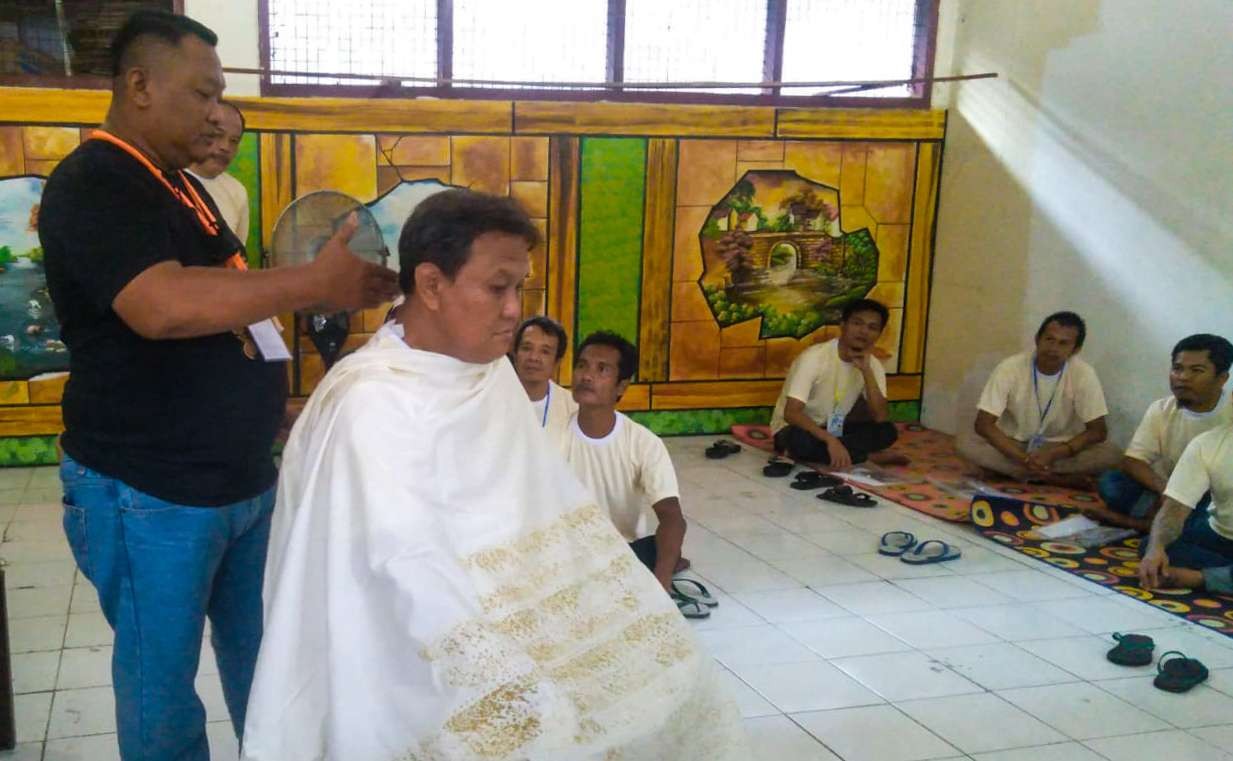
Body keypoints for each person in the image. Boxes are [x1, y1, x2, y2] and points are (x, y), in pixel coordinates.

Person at [241, 190, 744, 760]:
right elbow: (401, 572)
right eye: (498, 287)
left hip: (506, 615)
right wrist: (507, 670)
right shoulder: (372, 400)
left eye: (519, 288)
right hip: (409, 656)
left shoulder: (489, 376)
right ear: (430, 285)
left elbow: (548, 511)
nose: (513, 309)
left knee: (673, 675)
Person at [38, 11, 398, 760]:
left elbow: (232, 307)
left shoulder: (181, 186)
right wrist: (310, 282)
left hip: (241, 480)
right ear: (138, 84)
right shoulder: (96, 180)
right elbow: (161, 306)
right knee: (162, 682)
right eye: (202, 93)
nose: (215, 112)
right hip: (150, 489)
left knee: (267, 662)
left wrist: (277, 405)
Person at [559, 331, 688, 595]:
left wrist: (660, 588)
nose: (586, 376)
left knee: (662, 545)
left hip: (622, 553)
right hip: (565, 555)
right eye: (582, 365)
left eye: (602, 369)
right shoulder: (549, 436)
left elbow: (672, 517)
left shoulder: (643, 443)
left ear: (621, 386)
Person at [957, 311, 1120, 485]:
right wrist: (1023, 458)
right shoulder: (1010, 367)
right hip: (1012, 445)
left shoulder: (1084, 374)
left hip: (1058, 448)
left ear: (1076, 350)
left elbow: (1098, 431)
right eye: (1049, 339)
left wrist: (1054, 454)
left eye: (1063, 343)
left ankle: (1018, 473)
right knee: (965, 443)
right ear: (1037, 339)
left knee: (1112, 454)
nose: (1053, 348)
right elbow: (983, 424)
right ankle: (1054, 478)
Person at [1097, 334, 1232, 530]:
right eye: (1177, 369)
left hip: (1215, 501)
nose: (1183, 378)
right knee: (1111, 483)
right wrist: (1166, 490)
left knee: (1213, 514)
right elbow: (1133, 461)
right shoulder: (1162, 409)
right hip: (1171, 493)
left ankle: (1145, 524)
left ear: (1221, 379)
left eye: (1197, 370)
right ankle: (1169, 525)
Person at [770, 298, 899, 468]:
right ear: (843, 325)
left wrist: (866, 371)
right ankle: (862, 457)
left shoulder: (872, 364)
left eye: (872, 327)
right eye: (857, 323)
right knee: (799, 441)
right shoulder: (814, 358)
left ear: (879, 334)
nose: (863, 332)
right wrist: (830, 440)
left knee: (887, 432)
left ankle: (832, 452)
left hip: (833, 428)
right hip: (798, 428)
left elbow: (880, 416)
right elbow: (791, 413)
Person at [1139, 425, 1233, 593]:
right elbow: (1174, 508)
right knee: (1153, 546)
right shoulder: (1207, 443)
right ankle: (1225, 575)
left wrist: (1199, 578)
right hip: (1219, 535)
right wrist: (1156, 548)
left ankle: (1202, 578)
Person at [187, 100, 248, 243]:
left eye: (234, 140)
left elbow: (237, 258)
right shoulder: (166, 181)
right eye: (217, 135)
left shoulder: (237, 192)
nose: (225, 147)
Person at [510, 315, 577, 442]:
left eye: (545, 352)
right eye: (526, 348)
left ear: (557, 362)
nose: (534, 357)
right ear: (515, 354)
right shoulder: (490, 397)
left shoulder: (573, 410)